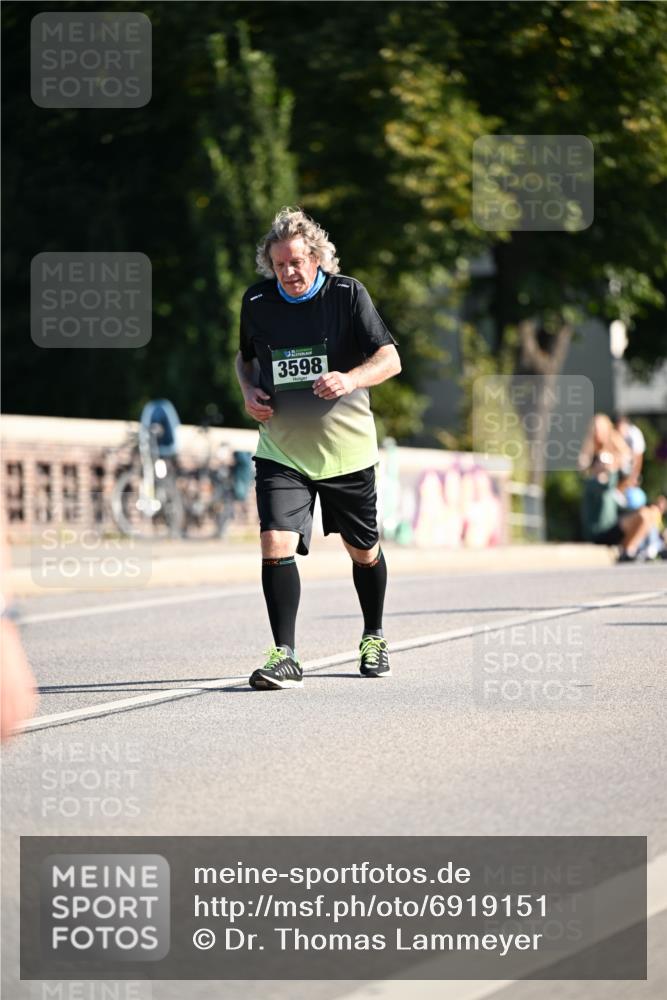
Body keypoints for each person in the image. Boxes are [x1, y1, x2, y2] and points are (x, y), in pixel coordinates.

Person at [235, 207, 401, 689]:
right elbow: (245, 360)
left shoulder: (347, 295)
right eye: (279, 263)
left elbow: (390, 358)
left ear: (317, 258)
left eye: (296, 262)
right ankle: (284, 654)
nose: (288, 272)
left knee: (363, 552)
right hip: (282, 450)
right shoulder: (258, 301)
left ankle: (374, 635)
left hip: (347, 453)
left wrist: (350, 379)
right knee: (273, 541)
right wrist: (248, 392)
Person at [579, 414, 660, 562]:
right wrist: (605, 469)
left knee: (650, 513)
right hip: (599, 530)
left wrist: (612, 437)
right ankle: (629, 550)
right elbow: (600, 482)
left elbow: (627, 458)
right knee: (642, 515)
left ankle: (634, 549)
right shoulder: (592, 469)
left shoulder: (612, 459)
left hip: (614, 520)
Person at [613, 412, 646, 480]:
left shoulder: (634, 434)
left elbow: (638, 457)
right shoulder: (615, 433)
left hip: (629, 468)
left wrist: (634, 475)